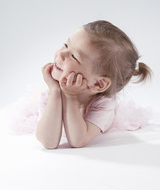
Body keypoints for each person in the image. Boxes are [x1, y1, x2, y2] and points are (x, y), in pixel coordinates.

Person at [35, 20, 152, 149]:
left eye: (74, 56)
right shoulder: (51, 92)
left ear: (99, 84)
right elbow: (48, 142)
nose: (61, 54)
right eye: (66, 45)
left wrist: (70, 96)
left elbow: (77, 141)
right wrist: (55, 93)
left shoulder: (103, 103)